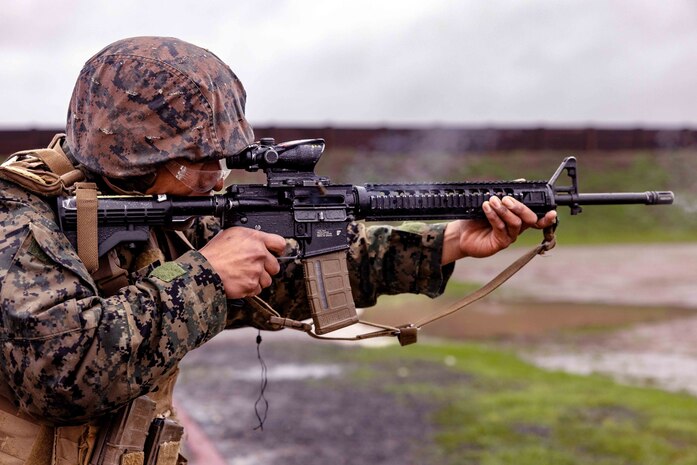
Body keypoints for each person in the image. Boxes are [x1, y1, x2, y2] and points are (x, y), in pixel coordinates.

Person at [0, 36, 556, 465]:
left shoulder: (152, 210)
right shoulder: (21, 223)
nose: (216, 178)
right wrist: (208, 277)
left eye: (222, 158)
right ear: (130, 150)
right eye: (197, 160)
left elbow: (291, 274)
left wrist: (450, 242)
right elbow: (60, 375)